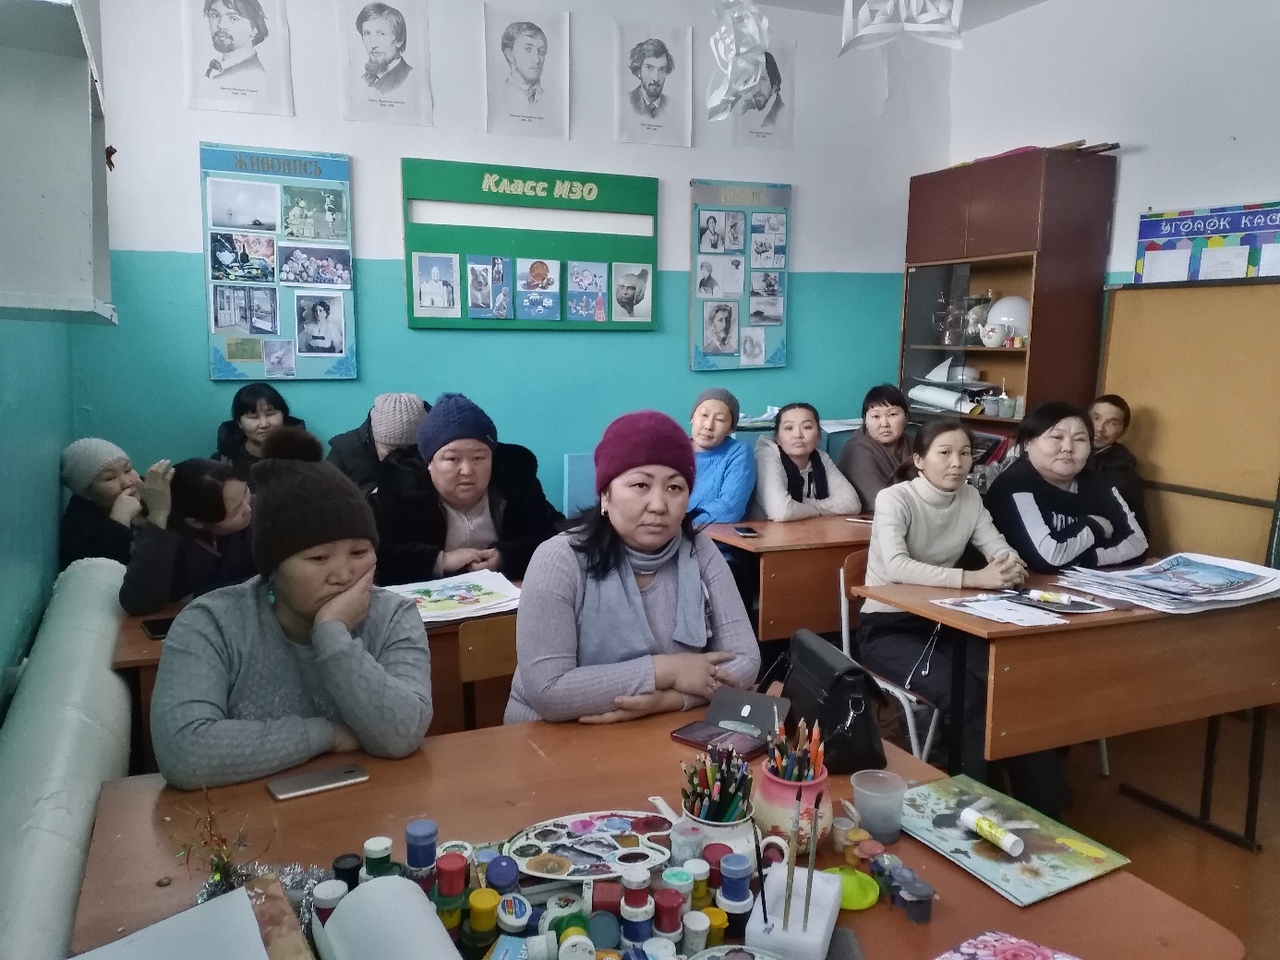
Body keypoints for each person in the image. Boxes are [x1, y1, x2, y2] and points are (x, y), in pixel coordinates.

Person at [149, 432, 433, 790]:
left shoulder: (393, 615)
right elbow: (184, 753)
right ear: (273, 569)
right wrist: (327, 735)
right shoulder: (211, 623)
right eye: (319, 558)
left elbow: (403, 734)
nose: (344, 574)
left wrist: (332, 634)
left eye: (359, 552)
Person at [855, 420, 1070, 816]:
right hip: (889, 629)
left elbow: (997, 547)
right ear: (919, 460)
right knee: (967, 697)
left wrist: (1009, 564)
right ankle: (973, 807)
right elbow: (898, 566)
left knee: (1009, 681)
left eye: (965, 453)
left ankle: (1043, 810)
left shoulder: (970, 497)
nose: (957, 462)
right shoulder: (895, 498)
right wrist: (975, 578)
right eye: (945, 453)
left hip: (948, 623)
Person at [505, 411, 761, 724]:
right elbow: (549, 692)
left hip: (658, 730)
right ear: (605, 495)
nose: (659, 505)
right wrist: (667, 671)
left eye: (675, 488)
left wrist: (671, 700)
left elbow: (745, 660)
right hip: (548, 736)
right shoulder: (559, 558)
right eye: (641, 485)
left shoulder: (699, 549)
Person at [371, 393, 561, 585]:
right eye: (452, 459)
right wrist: (440, 561)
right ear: (429, 463)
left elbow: (556, 536)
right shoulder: (400, 491)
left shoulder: (516, 484)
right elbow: (375, 556)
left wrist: (505, 557)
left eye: (478, 458)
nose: (467, 470)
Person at [985, 401, 1148, 574]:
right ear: (1027, 443)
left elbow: (1138, 545)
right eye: (1057, 437)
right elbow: (1049, 558)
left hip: (1067, 584)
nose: (1068, 448)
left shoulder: (1098, 484)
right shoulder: (1014, 484)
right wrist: (1094, 525)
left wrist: (1083, 558)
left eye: (1080, 439)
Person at [118, 458, 256, 616]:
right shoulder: (163, 536)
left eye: (245, 492)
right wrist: (158, 517)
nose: (248, 508)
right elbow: (138, 604)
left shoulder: (266, 510)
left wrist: (199, 595)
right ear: (195, 522)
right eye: (236, 511)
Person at [751, 402, 862, 520]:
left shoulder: (821, 458)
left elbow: (852, 504)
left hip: (811, 529)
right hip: (767, 531)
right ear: (777, 437)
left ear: (818, 435)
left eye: (807, 427)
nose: (798, 435)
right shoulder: (766, 455)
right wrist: (819, 509)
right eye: (789, 428)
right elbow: (782, 511)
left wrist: (802, 505)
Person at [59, 438, 143, 570]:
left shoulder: (151, 493)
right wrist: (120, 521)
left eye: (127, 470)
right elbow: (104, 573)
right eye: (110, 478)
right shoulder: (77, 532)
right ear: (87, 493)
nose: (127, 483)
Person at [327, 392, 430, 496]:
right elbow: (325, 495)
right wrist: (375, 495)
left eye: (412, 451)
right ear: (374, 438)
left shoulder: (436, 450)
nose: (401, 459)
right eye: (392, 451)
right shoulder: (344, 451)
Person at [212, 382, 304, 489]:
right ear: (239, 423)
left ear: (284, 417)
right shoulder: (221, 463)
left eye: (270, 414)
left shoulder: (306, 461)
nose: (264, 424)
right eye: (254, 417)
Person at [837, 384, 913, 510]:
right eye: (876, 416)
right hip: (874, 516)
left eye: (892, 414)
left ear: (906, 417)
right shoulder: (857, 449)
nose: (884, 424)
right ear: (865, 421)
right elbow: (878, 500)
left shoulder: (916, 444)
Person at [688, 388, 755, 524]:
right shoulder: (673, 449)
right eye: (704, 415)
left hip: (713, 535)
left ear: (730, 429)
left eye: (719, 419)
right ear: (692, 418)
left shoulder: (738, 452)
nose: (708, 426)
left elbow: (729, 510)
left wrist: (679, 519)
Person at [1087, 394, 1149, 537]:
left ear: (1123, 432)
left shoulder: (1125, 475)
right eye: (1096, 418)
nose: (1100, 428)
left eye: (1112, 423)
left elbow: (1138, 531)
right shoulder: (1063, 456)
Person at [202, 0, 269, 81]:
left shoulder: (253, 76)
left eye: (234, 18)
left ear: (254, 29)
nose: (221, 25)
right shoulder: (217, 65)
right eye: (215, 15)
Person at [357, 2, 412, 93]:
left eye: (381, 34)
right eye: (367, 34)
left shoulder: (409, 78)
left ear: (399, 40)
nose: (373, 44)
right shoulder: (363, 80)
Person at [499, 20, 548, 110]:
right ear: (509, 54)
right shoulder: (498, 96)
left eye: (541, 51)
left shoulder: (552, 99)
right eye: (528, 49)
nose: (537, 60)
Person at [628, 37, 674, 119]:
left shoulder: (673, 107)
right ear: (638, 71)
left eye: (661, 70)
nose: (656, 78)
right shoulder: (626, 102)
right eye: (649, 68)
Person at [737, 51, 784, 127]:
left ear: (775, 84)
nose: (757, 88)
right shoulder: (746, 110)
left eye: (762, 79)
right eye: (753, 80)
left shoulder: (782, 114)